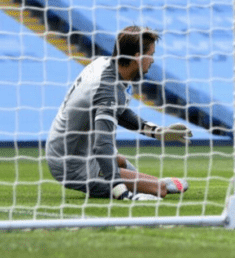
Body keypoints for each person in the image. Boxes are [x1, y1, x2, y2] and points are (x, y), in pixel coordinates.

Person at [46, 26, 192, 200]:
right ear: (138, 57)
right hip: (71, 165)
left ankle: (147, 183)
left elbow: (119, 111)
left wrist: (156, 132)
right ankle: (151, 186)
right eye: (151, 54)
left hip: (75, 150)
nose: (152, 60)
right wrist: (121, 192)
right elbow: (102, 144)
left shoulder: (106, 65)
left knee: (120, 161)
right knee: (159, 190)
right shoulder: (107, 90)